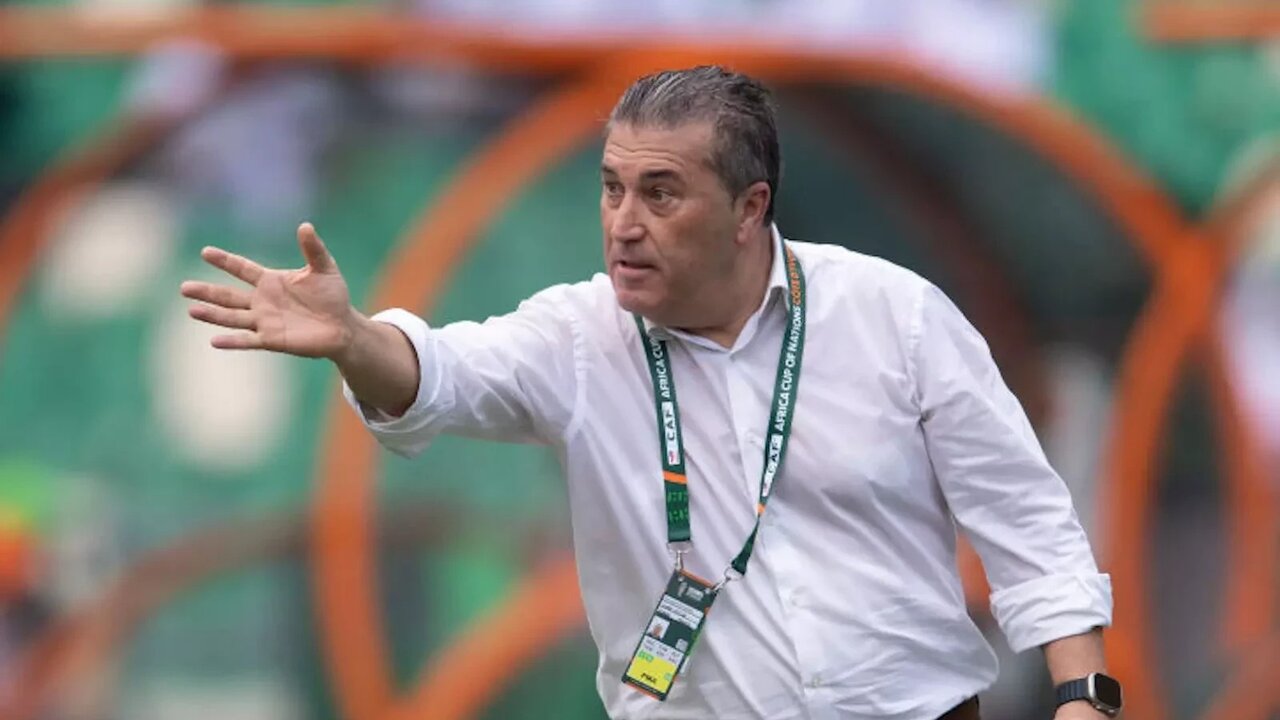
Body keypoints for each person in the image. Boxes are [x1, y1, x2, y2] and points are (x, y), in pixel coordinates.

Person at [180, 66, 1120, 720]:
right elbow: (441, 375)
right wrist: (354, 342)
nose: (624, 224)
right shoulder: (576, 336)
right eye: (611, 189)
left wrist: (1083, 697)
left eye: (660, 194)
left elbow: (1027, 523)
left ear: (750, 209)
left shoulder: (895, 314)